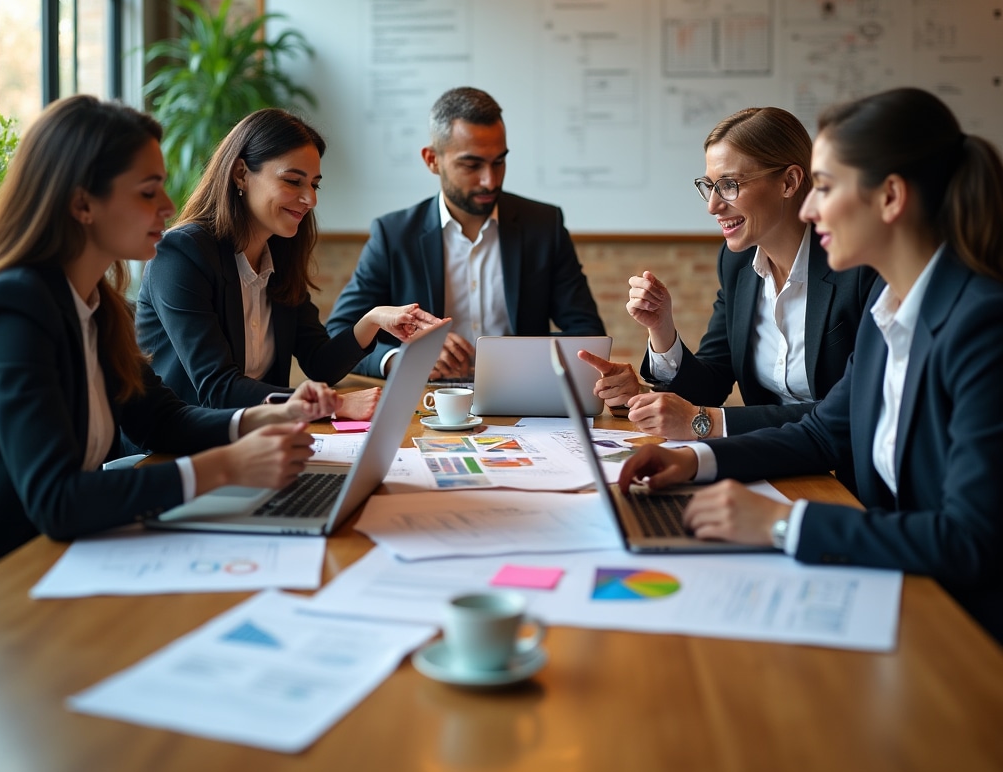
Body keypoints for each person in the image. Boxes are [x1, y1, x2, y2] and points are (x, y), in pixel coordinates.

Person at [619, 87, 1003, 643]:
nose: (812, 208)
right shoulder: (889, 308)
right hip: (889, 576)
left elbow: (971, 541)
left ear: (890, 197)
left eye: (825, 187)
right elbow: (824, 433)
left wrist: (779, 522)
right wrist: (695, 461)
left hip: (959, 624)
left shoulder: (980, 324)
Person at [0, 95, 345, 571]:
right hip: (8, 576)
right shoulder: (15, 306)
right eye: (148, 192)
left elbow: (160, 419)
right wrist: (228, 466)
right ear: (82, 202)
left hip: (77, 554)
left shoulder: (99, 305)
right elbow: (57, 500)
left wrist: (266, 418)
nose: (169, 207)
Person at [580, 107, 876, 441]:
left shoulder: (858, 268)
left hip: (843, 470)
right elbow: (710, 386)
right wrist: (662, 328)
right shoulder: (738, 264)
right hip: (771, 458)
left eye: (730, 185)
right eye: (709, 186)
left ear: (789, 182)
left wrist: (708, 422)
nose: (713, 206)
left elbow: (852, 408)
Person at [137, 108, 442, 416]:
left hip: (256, 441)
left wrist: (373, 320)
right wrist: (334, 405)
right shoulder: (181, 254)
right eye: (294, 181)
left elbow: (320, 363)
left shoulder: (279, 256)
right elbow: (218, 388)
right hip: (176, 449)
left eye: (314, 184)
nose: (311, 199)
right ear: (241, 173)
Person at [326, 86, 605, 379]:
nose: (490, 180)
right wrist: (403, 359)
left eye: (499, 161)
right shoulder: (394, 235)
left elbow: (587, 333)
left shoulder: (544, 225)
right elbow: (337, 336)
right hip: (428, 404)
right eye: (472, 165)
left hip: (523, 396)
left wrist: (522, 362)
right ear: (432, 160)